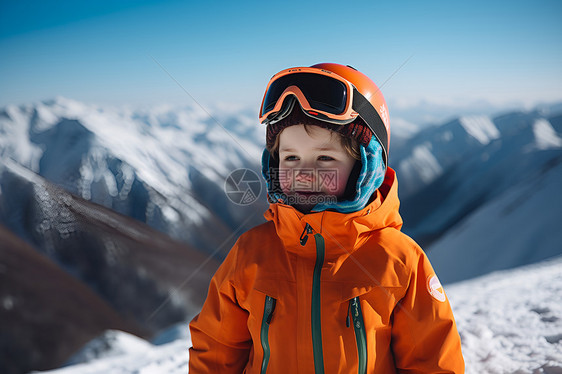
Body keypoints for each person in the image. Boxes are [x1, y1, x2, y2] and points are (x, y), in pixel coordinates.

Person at [189, 63, 465, 373]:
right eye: (290, 157)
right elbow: (216, 349)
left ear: (366, 166)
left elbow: (433, 362)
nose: (304, 173)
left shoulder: (398, 260)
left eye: (325, 158)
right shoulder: (251, 253)